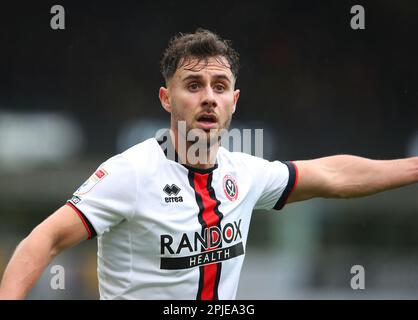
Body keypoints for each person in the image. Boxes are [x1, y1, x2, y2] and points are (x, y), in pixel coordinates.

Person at [0, 28, 417, 300]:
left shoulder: (245, 174)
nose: (208, 98)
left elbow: (333, 174)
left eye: (220, 87)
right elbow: (43, 241)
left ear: (233, 102)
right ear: (167, 99)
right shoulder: (130, 174)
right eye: (193, 85)